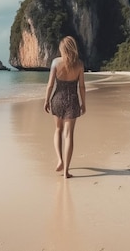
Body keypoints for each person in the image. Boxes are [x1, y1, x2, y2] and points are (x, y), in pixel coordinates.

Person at [44, 36, 86, 179]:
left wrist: (46, 100)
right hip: (72, 100)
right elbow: (81, 86)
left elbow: (50, 85)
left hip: (57, 99)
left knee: (58, 130)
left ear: (62, 49)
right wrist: (83, 103)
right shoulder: (79, 64)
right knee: (69, 135)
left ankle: (60, 160)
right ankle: (66, 171)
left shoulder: (56, 62)